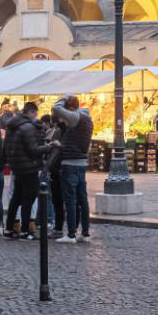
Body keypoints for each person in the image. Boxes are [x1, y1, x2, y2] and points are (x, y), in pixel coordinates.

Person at [51, 96, 93, 244]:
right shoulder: (88, 118)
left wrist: (63, 98)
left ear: (70, 109)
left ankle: (70, 234)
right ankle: (85, 233)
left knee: (70, 199)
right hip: (81, 163)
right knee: (83, 199)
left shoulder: (75, 117)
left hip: (70, 164)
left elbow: (56, 108)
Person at [3, 101, 49, 237]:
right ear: (31, 112)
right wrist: (49, 146)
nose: (36, 117)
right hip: (29, 167)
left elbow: (6, 147)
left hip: (17, 167)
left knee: (16, 198)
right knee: (28, 199)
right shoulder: (27, 127)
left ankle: (9, 228)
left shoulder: (12, 125)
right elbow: (33, 150)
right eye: (36, 114)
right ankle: (25, 230)